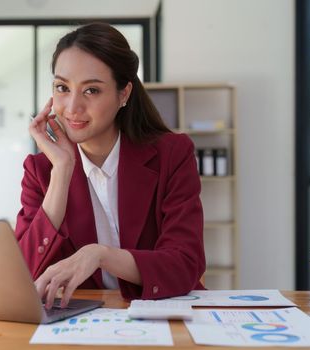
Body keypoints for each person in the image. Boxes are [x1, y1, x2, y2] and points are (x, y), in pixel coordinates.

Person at [15, 22, 205, 310]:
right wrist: (62, 171)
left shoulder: (171, 154)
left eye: (91, 90)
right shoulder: (42, 170)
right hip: (83, 319)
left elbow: (186, 263)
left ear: (124, 93)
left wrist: (101, 255)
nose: (72, 107)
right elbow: (23, 277)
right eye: (62, 87)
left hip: (165, 310)